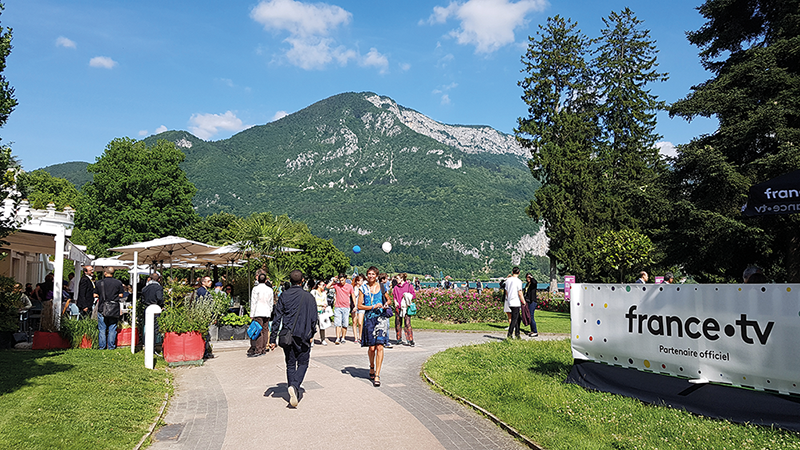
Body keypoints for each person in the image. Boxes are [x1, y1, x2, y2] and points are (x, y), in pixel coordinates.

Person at [269, 270, 318, 408]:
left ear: (290, 281)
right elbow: (314, 318)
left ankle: (292, 388)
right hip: (304, 334)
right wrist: (312, 334)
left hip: (287, 335)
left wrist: (272, 339)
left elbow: (277, 318)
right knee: (303, 363)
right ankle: (295, 386)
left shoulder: (284, 295)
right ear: (303, 281)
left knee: (290, 364)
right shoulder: (309, 297)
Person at [358, 266, 391, 387]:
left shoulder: (382, 286)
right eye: (369, 274)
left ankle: (377, 374)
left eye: (373, 274)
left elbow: (389, 300)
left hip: (381, 319)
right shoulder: (363, 288)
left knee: (380, 346)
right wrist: (372, 307)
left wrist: (386, 304)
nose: (371, 276)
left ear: (376, 276)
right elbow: (359, 306)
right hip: (369, 319)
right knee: (372, 348)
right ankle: (371, 366)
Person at [96, 268, 124, 350]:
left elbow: (95, 295)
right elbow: (121, 295)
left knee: (102, 329)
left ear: (105, 273)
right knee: (112, 328)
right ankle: (111, 346)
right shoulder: (118, 283)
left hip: (102, 307)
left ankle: (102, 346)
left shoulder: (99, 283)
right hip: (114, 308)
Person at [249, 273, 274, 357]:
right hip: (267, 312)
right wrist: (270, 311)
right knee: (265, 330)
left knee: (259, 330)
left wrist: (252, 314)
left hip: (258, 312)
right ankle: (263, 348)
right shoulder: (270, 290)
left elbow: (253, 302)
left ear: (258, 280)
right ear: (266, 280)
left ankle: (258, 349)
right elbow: (271, 302)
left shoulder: (255, 289)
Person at [327, 274, 353, 345]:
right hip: (338, 307)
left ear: (345, 279)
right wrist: (333, 280)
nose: (341, 282)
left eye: (342, 280)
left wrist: (354, 305)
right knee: (337, 323)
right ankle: (338, 338)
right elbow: (327, 287)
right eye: (340, 280)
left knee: (345, 323)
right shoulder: (337, 285)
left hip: (346, 307)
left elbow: (353, 295)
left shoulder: (349, 286)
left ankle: (343, 337)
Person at [392, 273, 416, 346]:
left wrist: (407, 297)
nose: (396, 280)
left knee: (407, 323)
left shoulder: (409, 286)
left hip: (406, 307)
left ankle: (410, 339)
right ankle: (398, 338)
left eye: (398, 278)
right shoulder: (396, 287)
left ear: (402, 279)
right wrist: (395, 302)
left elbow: (413, 295)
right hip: (398, 307)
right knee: (398, 323)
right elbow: (394, 296)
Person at [505, 267, 525, 340]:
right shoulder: (518, 281)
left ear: (512, 272)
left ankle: (517, 333)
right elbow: (520, 292)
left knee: (518, 318)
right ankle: (509, 334)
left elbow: (506, 291)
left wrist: (509, 298)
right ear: (519, 273)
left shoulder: (508, 280)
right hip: (515, 302)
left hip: (510, 301)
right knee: (514, 319)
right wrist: (523, 301)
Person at [312, 281, 329, 345]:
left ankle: (323, 339)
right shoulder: (313, 292)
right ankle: (312, 339)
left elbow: (325, 302)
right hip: (314, 311)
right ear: (318, 285)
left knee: (322, 326)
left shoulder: (324, 293)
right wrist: (320, 304)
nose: (324, 286)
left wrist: (325, 305)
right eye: (322, 285)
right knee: (313, 326)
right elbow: (312, 301)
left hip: (322, 312)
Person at [351, 274, 366, 344]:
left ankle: (360, 336)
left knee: (360, 322)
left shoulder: (363, 288)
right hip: (354, 306)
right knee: (354, 322)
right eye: (361, 281)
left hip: (361, 306)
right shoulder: (353, 288)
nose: (362, 282)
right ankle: (355, 337)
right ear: (357, 281)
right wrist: (354, 306)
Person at [524, 273, 538, 337]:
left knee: (531, 316)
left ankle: (535, 331)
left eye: (529, 277)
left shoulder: (533, 284)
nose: (528, 279)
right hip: (528, 301)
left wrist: (531, 277)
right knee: (529, 316)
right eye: (527, 277)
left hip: (532, 301)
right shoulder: (527, 284)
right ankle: (532, 330)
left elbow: (535, 282)